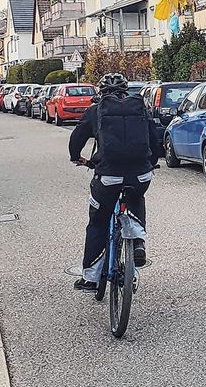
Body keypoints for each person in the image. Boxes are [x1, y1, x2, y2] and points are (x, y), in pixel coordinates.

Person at [68, 72, 161, 291]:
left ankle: (90, 278)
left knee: (98, 221)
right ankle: (138, 242)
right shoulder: (140, 109)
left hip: (108, 176)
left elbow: (76, 139)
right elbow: (154, 139)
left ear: (101, 93)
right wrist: (151, 163)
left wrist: (76, 157)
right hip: (140, 175)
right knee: (136, 196)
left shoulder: (95, 111)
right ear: (125, 91)